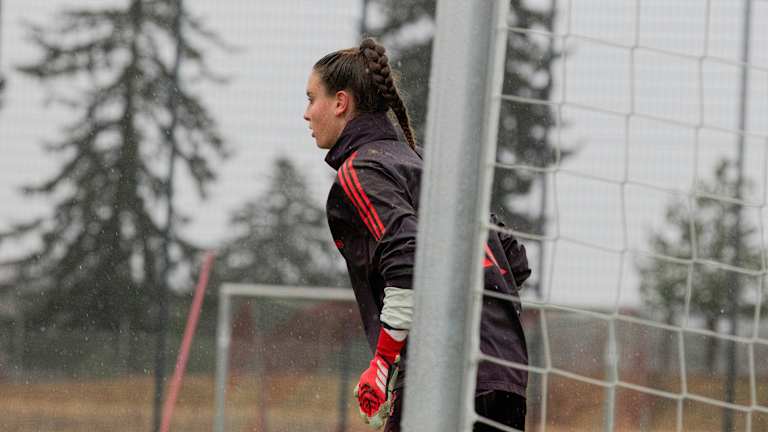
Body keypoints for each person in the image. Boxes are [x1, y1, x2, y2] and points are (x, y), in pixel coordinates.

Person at [303, 37, 531, 431]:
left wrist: (383, 362)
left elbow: (407, 261)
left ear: (341, 102)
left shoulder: (362, 170)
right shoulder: (425, 161)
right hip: (505, 375)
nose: (306, 113)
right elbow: (513, 259)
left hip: (440, 377)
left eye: (311, 99)